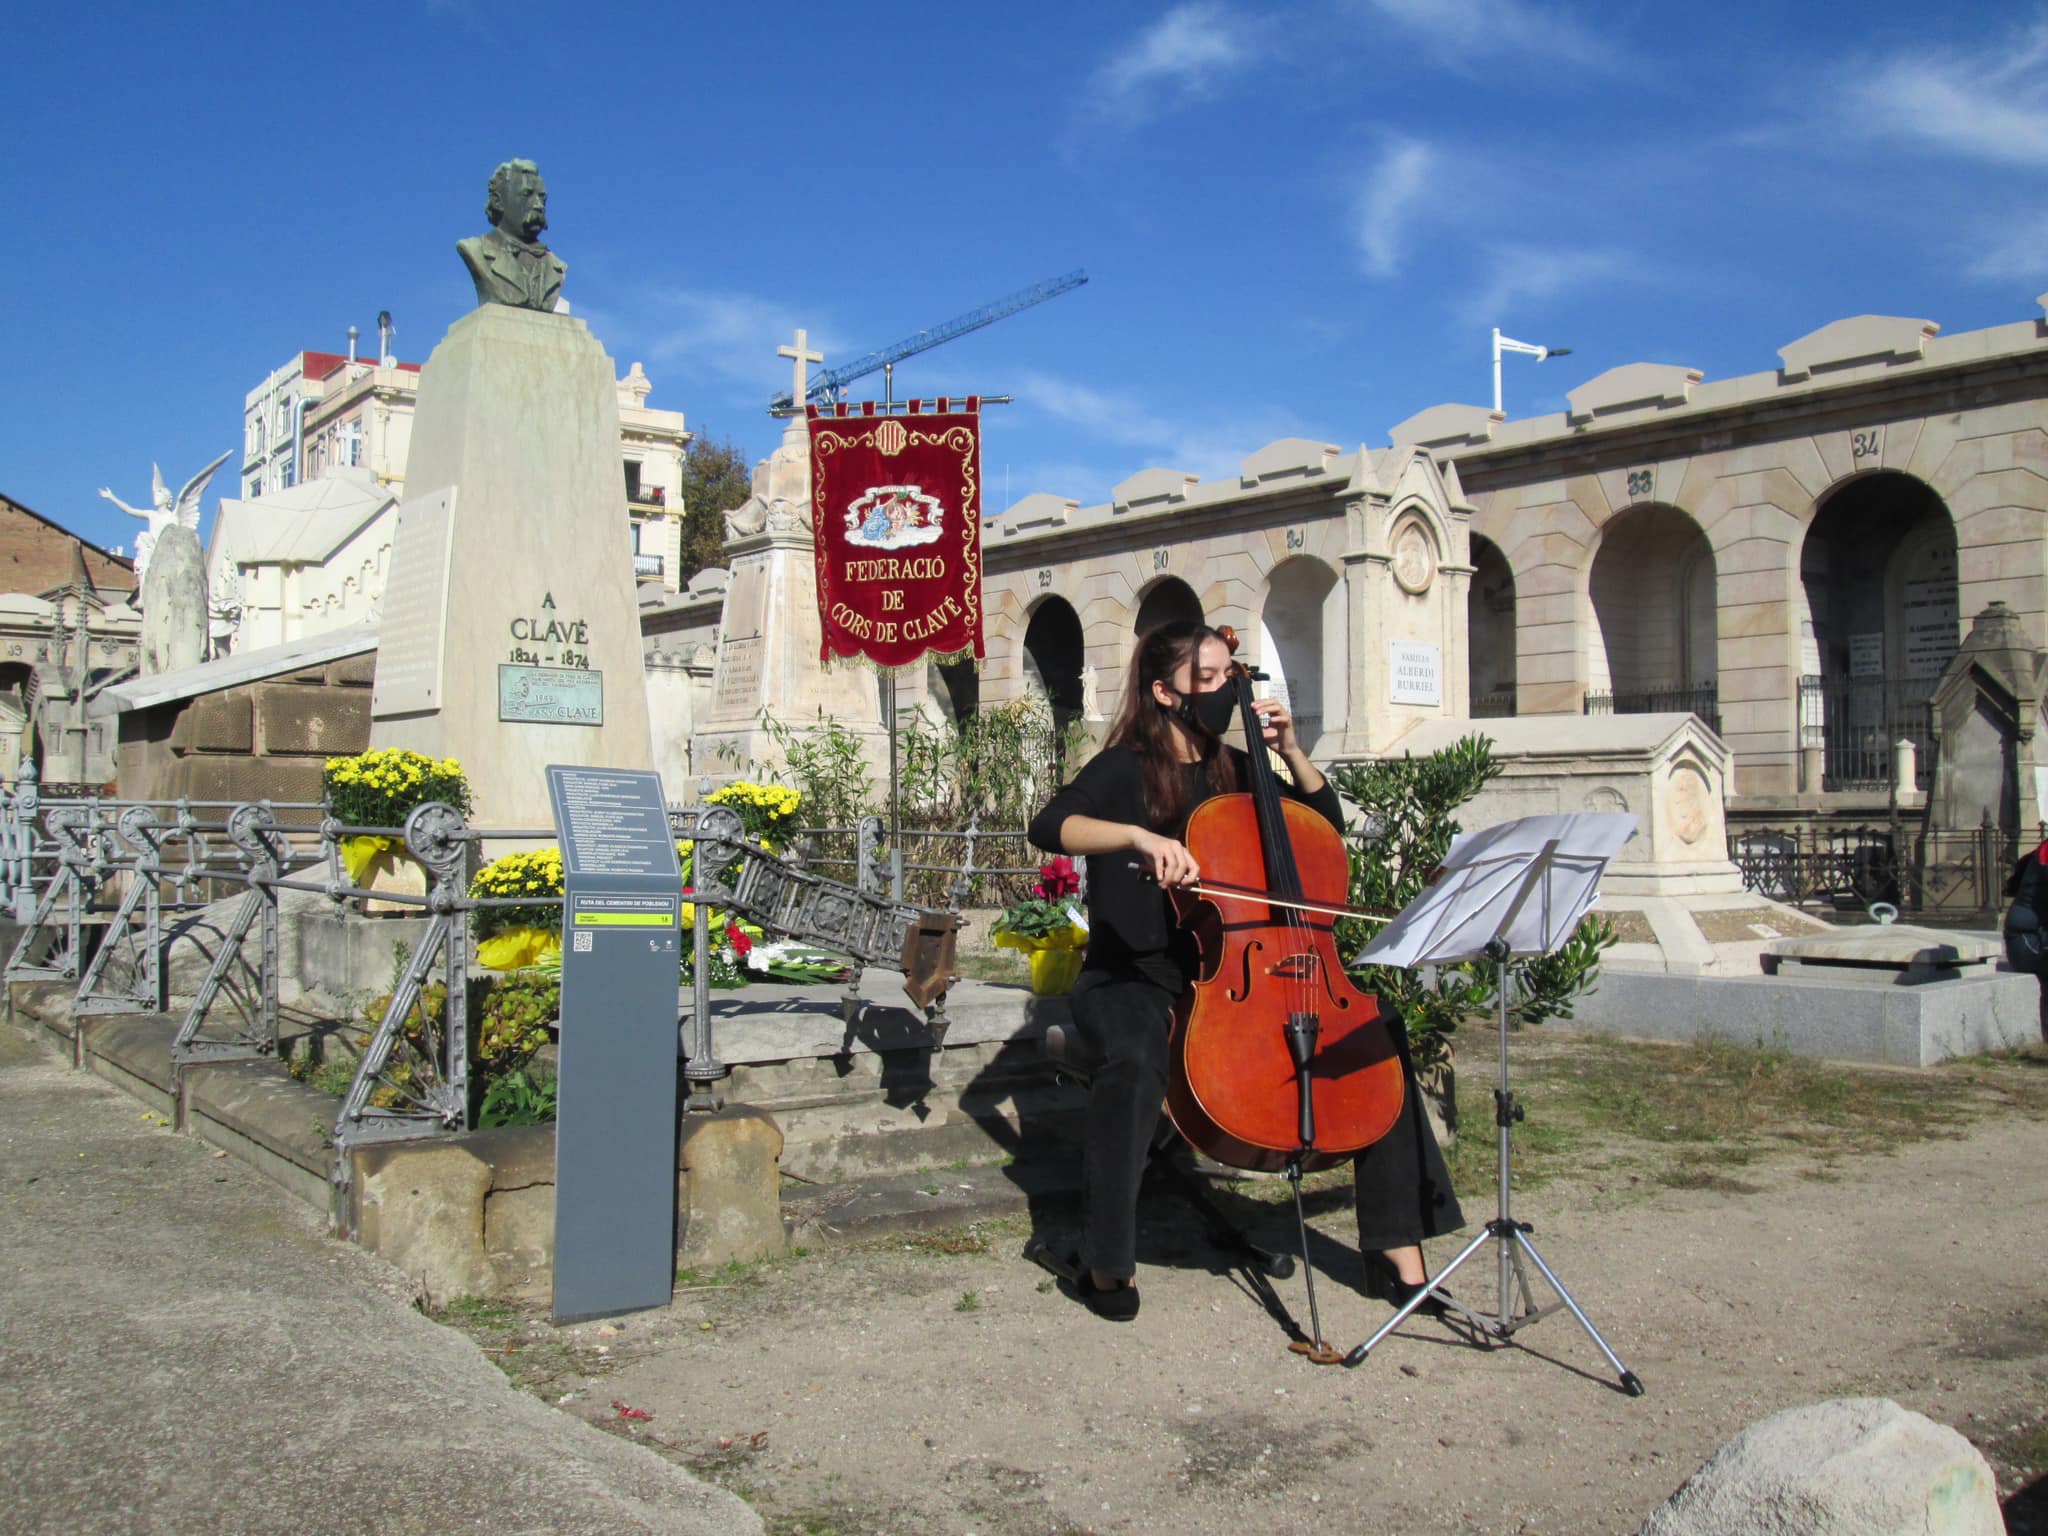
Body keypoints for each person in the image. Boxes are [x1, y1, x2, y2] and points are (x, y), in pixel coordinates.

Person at [1027, 619, 1463, 1321]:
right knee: (1136, 1056)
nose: (1228, 689)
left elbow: (1323, 823)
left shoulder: (1237, 768)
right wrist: (1138, 835)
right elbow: (1050, 825)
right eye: (1211, 678)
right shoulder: (1123, 768)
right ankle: (1106, 1263)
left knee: (1373, 1032)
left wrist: (1290, 749)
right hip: (1134, 974)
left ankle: (1398, 1253)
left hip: (1244, 972)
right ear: (1167, 692)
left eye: (1234, 675)